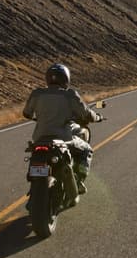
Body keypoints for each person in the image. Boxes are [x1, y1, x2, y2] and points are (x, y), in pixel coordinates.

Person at [23, 63, 103, 195]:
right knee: (87, 150)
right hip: (63, 139)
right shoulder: (69, 95)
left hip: (39, 139)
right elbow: (86, 114)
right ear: (66, 78)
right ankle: (79, 182)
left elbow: (27, 113)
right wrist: (98, 117)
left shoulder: (37, 94)